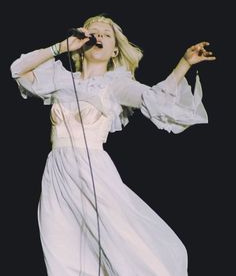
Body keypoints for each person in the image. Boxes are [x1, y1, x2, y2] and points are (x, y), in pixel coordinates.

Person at [10, 15, 215, 276]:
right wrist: (61, 47)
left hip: (94, 172)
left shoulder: (116, 84)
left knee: (124, 248)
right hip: (57, 175)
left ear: (115, 49)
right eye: (93, 32)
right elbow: (18, 70)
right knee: (62, 254)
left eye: (106, 34)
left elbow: (154, 99)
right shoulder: (60, 80)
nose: (99, 36)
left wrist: (184, 63)